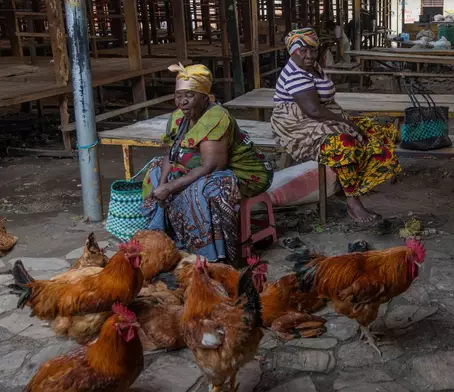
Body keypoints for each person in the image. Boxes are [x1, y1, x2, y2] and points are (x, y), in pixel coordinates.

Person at [142, 63, 273, 262]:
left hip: (245, 174)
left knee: (207, 188)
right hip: (202, 165)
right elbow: (172, 152)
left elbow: (212, 166)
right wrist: (162, 184)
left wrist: (170, 187)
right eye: (179, 96)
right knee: (155, 170)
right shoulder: (179, 117)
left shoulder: (215, 117)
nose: (182, 102)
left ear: (205, 97)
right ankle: (166, 238)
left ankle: (210, 255)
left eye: (190, 95)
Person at [270, 28, 401, 225]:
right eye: (302, 50)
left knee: (372, 132)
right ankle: (352, 200)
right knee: (344, 145)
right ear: (292, 52)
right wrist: (346, 123)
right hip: (299, 124)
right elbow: (313, 111)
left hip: (321, 116)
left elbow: (320, 105)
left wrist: (347, 122)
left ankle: (351, 181)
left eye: (312, 50)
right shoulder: (294, 75)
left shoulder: (312, 65)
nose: (309, 55)